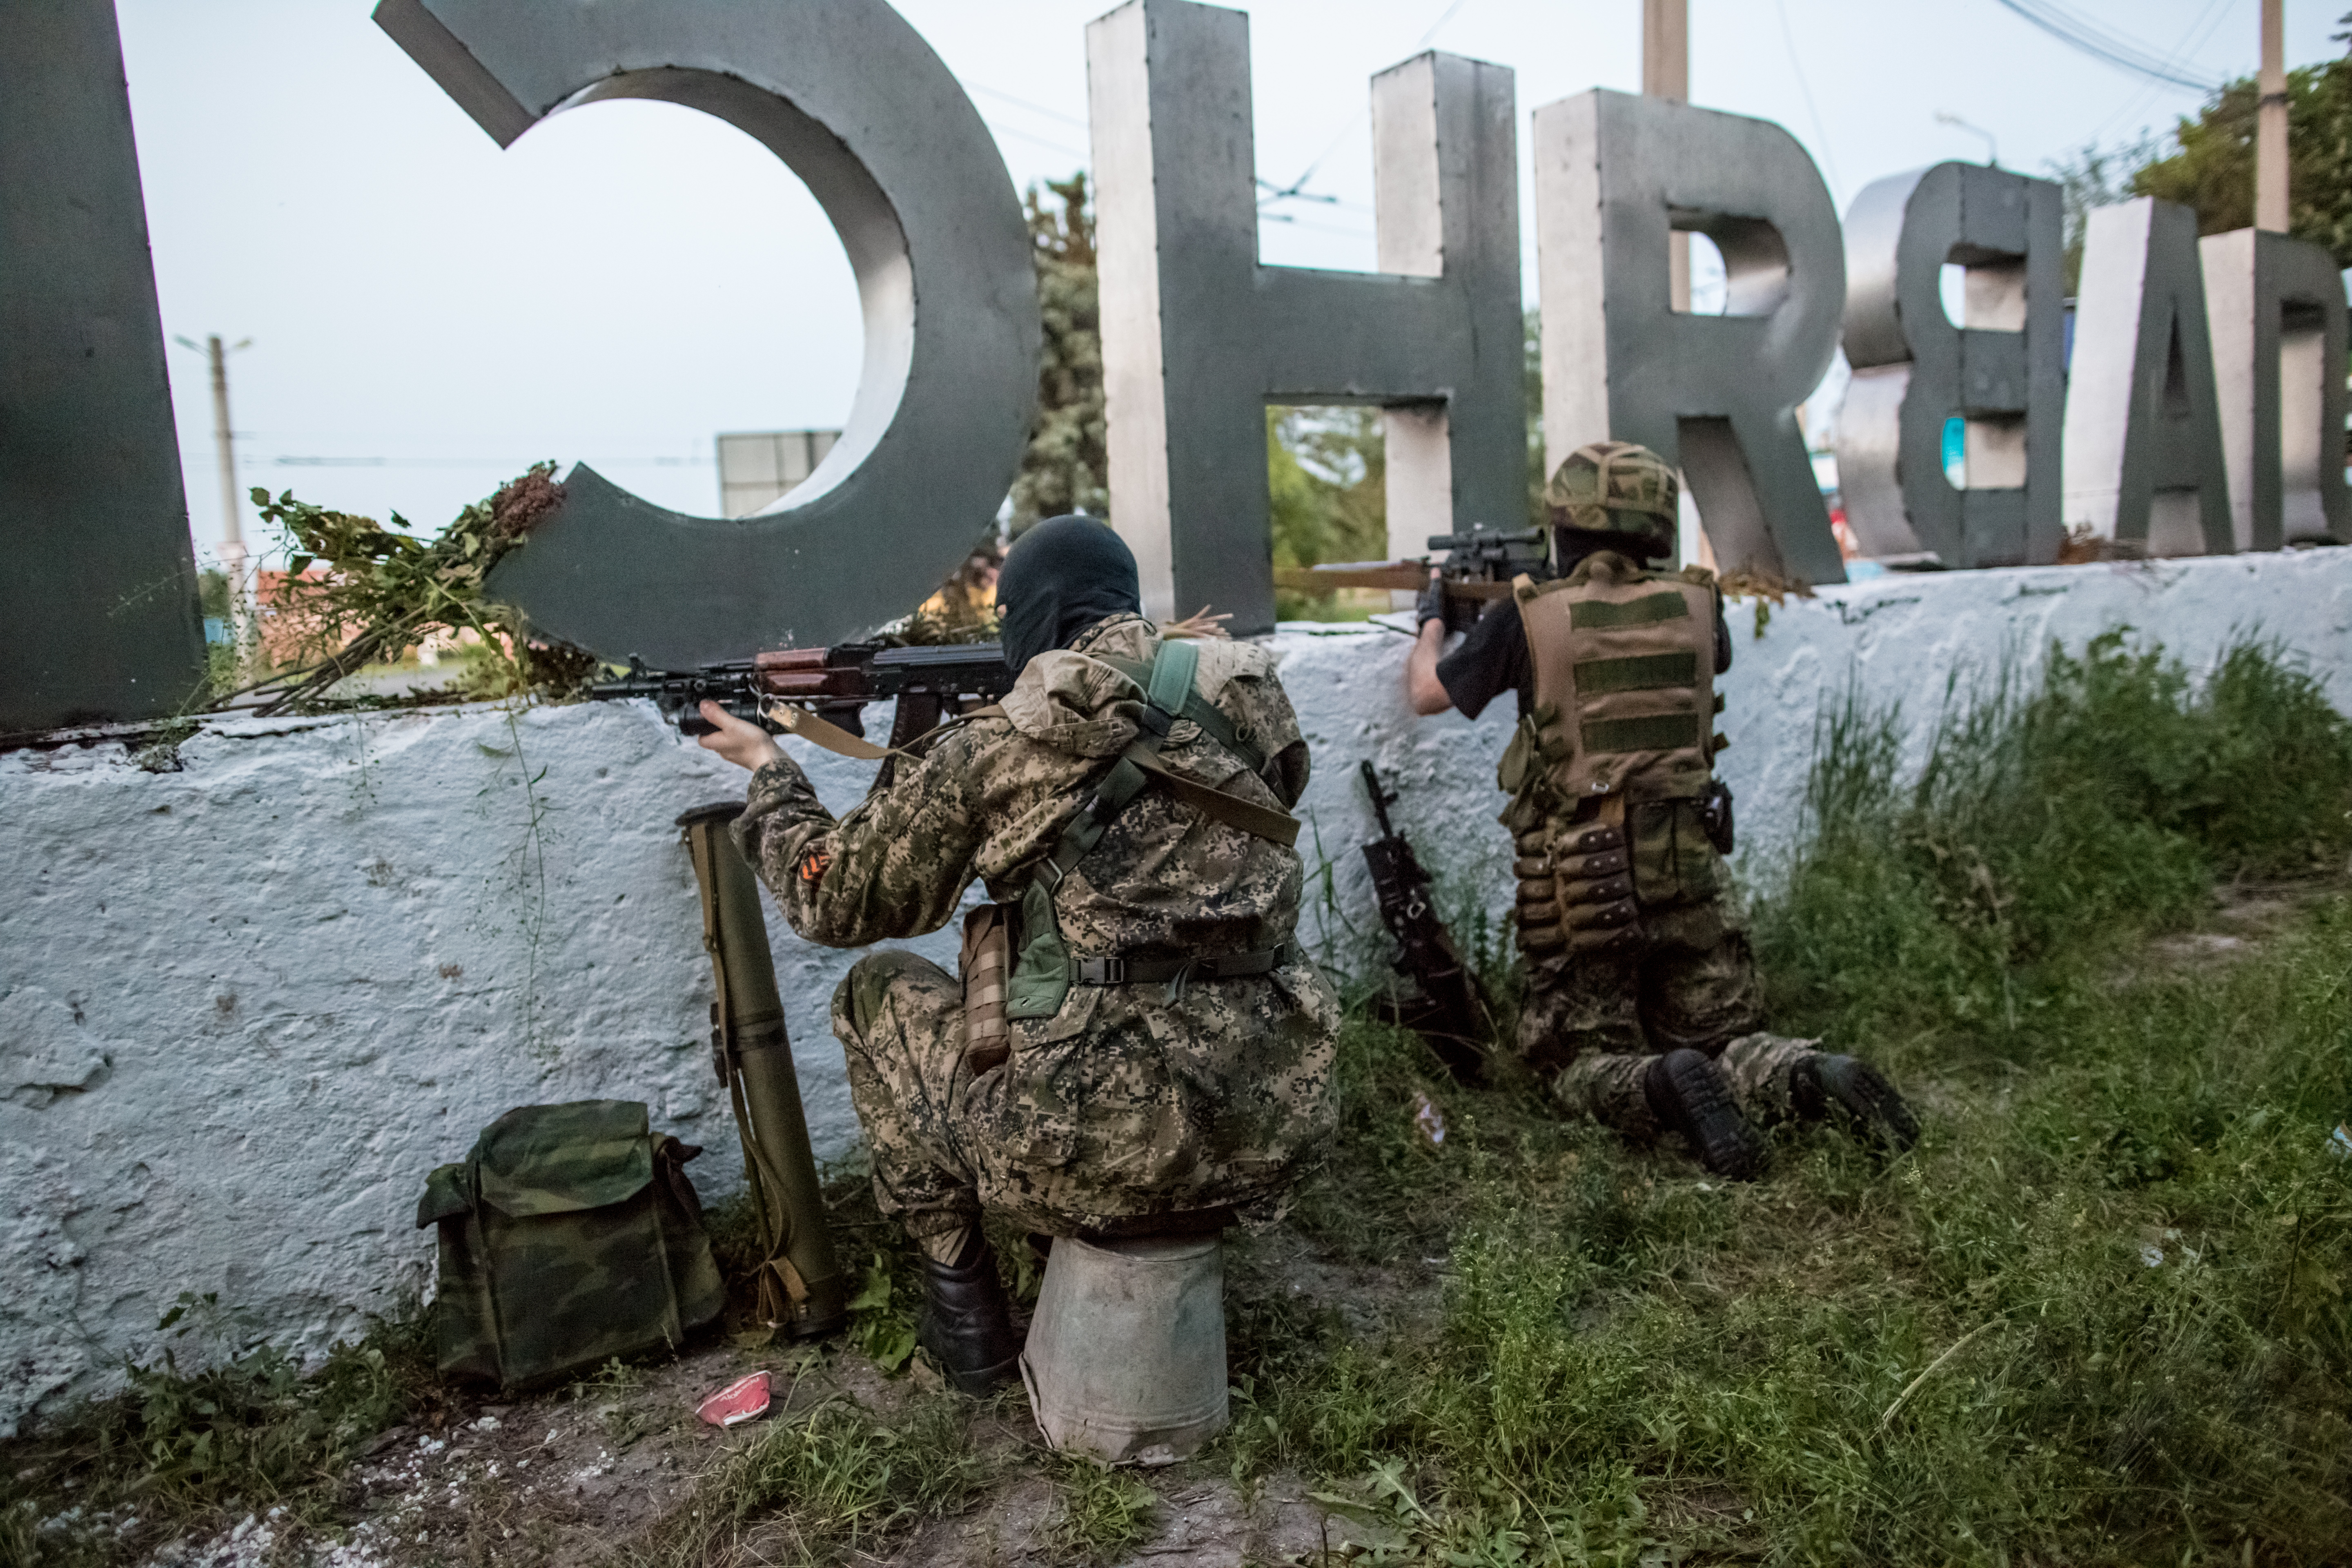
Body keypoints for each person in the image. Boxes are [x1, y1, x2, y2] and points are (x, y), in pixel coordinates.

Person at [695, 516, 1339, 1393]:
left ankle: (970, 1337)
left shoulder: (998, 743)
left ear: (1030, 615)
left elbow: (831, 898)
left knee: (876, 990)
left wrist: (769, 767)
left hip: (1084, 1144)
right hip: (1268, 1119)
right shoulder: (1253, 694)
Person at [1403, 441, 1917, 1178]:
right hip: (1688, 871)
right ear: (1657, 532)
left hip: (1583, 889)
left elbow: (1428, 696)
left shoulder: (1531, 618)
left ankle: (1658, 1083)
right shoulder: (1701, 607)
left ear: (1565, 529)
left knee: (1575, 1059)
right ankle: (1802, 1075)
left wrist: (1432, 620)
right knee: (1727, 1037)